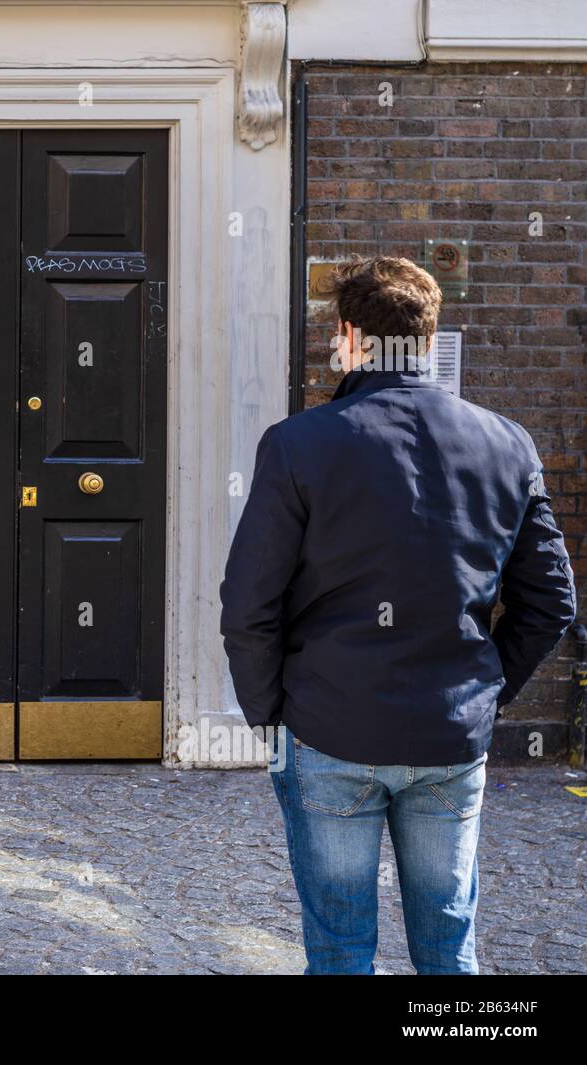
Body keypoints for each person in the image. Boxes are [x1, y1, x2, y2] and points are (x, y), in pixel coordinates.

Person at [220, 256, 577, 974]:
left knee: (341, 947)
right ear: (425, 337)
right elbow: (551, 602)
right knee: (449, 947)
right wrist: (484, 689)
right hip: (447, 729)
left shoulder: (299, 444)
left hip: (329, 726)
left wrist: (272, 711)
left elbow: (248, 604)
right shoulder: (506, 444)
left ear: (352, 336)